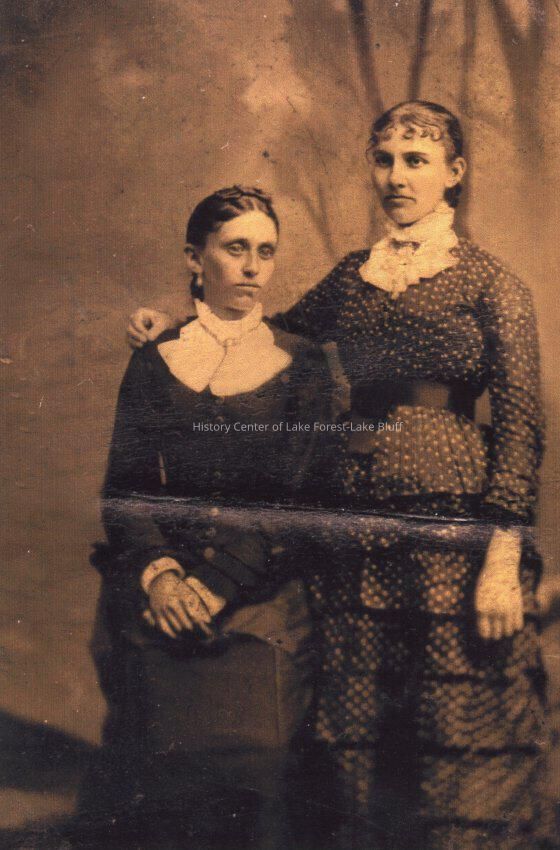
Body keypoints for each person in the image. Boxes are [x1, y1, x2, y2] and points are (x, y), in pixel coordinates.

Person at [127, 102, 556, 849]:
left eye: (416, 160)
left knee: (457, 733)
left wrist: (501, 559)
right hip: (353, 539)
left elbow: (521, 425)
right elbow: (265, 339)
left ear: (453, 173)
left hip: (451, 538)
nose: (396, 177)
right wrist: (173, 326)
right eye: (384, 159)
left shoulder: (491, 284)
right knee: (354, 741)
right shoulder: (353, 278)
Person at [87, 186, 334, 850]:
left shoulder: (303, 364)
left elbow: (295, 501)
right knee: (160, 784)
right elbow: (125, 490)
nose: (252, 268)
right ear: (196, 259)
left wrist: (215, 583)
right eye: (235, 249)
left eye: (265, 252)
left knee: (258, 777)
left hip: (263, 598)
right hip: (165, 602)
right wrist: (164, 578)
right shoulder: (155, 359)